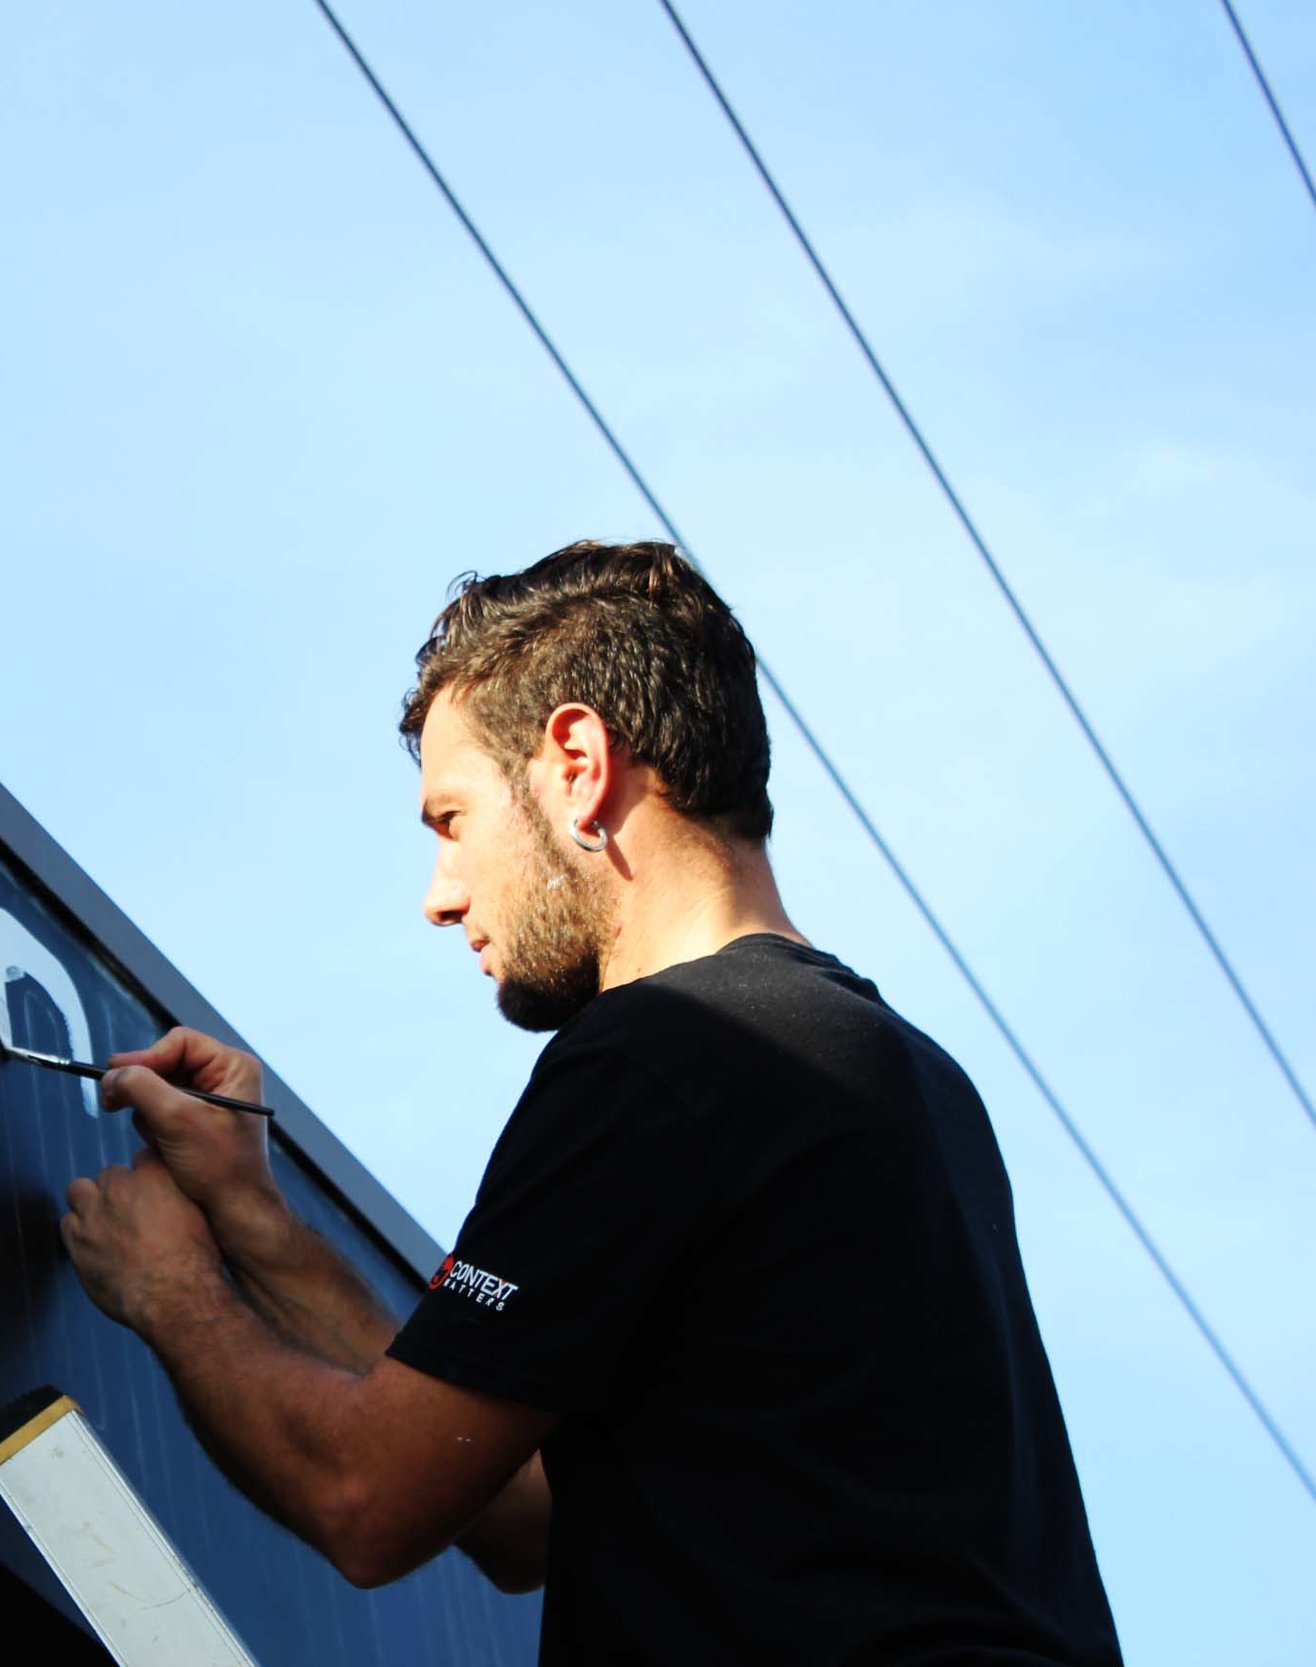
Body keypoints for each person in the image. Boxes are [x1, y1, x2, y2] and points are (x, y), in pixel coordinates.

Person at [58, 541, 1122, 1664]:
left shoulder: (665, 1051)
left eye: (451, 820)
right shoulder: (891, 1071)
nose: (440, 897)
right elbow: (518, 1509)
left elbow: (365, 1491)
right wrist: (255, 1223)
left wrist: (170, 1284)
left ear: (575, 762)